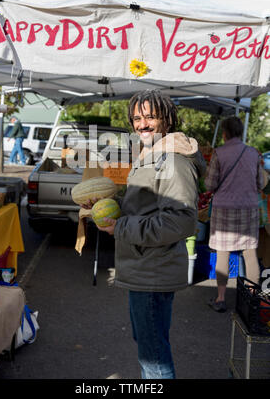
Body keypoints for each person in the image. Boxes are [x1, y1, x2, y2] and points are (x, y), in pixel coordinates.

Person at [82, 89, 206, 379]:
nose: (142, 124)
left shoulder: (173, 162)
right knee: (149, 343)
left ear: (167, 118)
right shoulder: (151, 154)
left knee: (153, 356)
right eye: (137, 118)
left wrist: (120, 227)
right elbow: (144, 206)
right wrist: (107, 208)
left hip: (153, 269)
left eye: (150, 116)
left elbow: (182, 222)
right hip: (143, 266)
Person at [205, 116, 265, 313]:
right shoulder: (253, 154)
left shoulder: (219, 153)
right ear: (240, 132)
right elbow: (260, 183)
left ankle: (221, 299)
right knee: (249, 253)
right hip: (249, 208)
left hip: (224, 210)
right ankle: (253, 299)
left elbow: (210, 184)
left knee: (223, 252)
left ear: (224, 133)